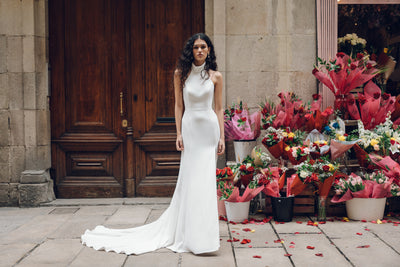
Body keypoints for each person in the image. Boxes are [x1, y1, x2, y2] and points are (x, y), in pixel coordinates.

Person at [81, 33, 225, 255]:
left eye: (203, 47)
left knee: (206, 182)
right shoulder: (181, 75)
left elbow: (218, 109)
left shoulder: (216, 77)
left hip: (209, 132)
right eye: (195, 47)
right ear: (191, 50)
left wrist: (222, 137)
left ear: (208, 50)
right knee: (191, 180)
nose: (199, 51)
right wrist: (178, 133)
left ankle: (205, 238)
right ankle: (189, 234)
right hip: (190, 131)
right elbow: (178, 106)